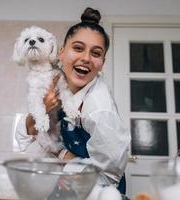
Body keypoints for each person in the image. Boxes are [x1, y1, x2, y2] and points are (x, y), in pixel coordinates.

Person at [15, 7, 131, 194]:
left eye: (96, 53)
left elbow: (106, 178)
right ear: (60, 52)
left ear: (102, 62)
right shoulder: (53, 80)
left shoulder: (100, 110)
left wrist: (60, 154)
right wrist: (39, 113)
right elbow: (22, 135)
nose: (85, 58)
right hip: (65, 186)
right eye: (78, 48)